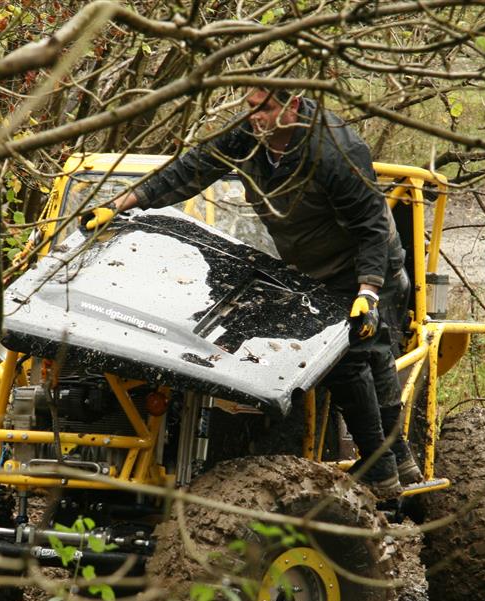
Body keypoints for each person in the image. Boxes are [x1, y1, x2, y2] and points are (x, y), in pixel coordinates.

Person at [80, 87, 423, 494]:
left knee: (353, 354)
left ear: (293, 105)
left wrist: (367, 292)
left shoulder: (336, 150)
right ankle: (399, 460)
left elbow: (371, 227)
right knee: (352, 356)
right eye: (249, 107)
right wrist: (121, 203)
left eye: (265, 108)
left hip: (366, 261)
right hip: (308, 261)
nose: (254, 116)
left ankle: (381, 470)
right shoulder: (247, 135)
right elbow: (189, 170)